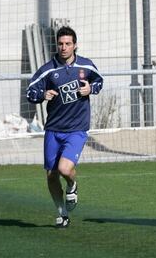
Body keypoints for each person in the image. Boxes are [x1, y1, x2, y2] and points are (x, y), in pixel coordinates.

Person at [26, 26, 103, 228]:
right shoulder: (48, 70)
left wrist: (90, 89)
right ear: (57, 45)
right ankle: (62, 214)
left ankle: (72, 185)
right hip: (53, 129)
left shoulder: (86, 66)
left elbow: (99, 82)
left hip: (77, 129)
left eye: (68, 43)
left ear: (75, 45)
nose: (64, 47)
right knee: (51, 175)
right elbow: (30, 92)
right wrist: (42, 95)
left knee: (64, 168)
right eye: (60, 44)